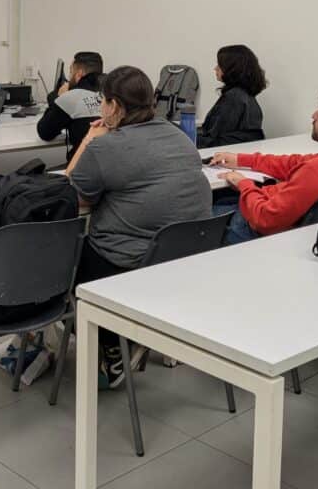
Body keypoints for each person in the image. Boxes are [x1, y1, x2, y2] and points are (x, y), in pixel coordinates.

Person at [67, 65, 211, 387]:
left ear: (115, 107)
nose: (101, 108)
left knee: (59, 253)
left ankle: (105, 343)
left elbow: (68, 195)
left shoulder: (106, 147)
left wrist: (91, 138)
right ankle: (124, 338)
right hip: (181, 262)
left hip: (125, 265)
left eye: (103, 101)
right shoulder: (180, 136)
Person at [209, 82, 318, 245]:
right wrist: (242, 160)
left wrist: (243, 184)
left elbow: (265, 219)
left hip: (261, 228)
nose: (314, 116)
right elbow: (295, 163)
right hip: (293, 224)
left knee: (207, 213)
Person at [36, 51, 104, 162]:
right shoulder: (114, 93)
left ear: (79, 74)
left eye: (71, 71)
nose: (69, 76)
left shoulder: (72, 97)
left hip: (80, 169)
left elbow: (45, 132)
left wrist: (58, 98)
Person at [197, 44, 267, 148]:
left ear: (232, 68)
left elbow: (213, 139)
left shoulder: (234, 97)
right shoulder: (245, 95)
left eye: (219, 65)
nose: (215, 68)